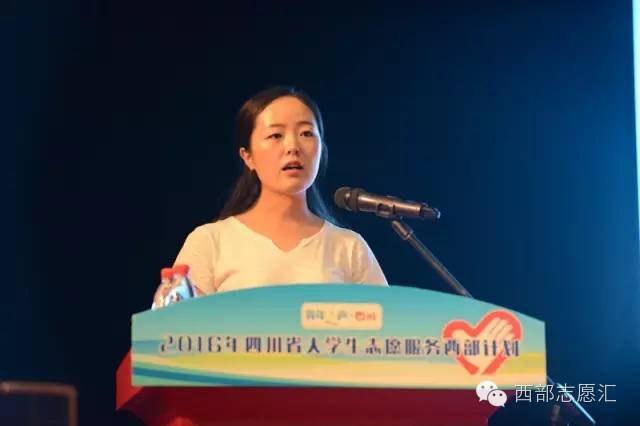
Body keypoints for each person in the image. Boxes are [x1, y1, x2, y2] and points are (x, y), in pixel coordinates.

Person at [172, 86, 387, 295]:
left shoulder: (349, 247)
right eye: (276, 135)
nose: (293, 146)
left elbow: (387, 318)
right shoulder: (210, 242)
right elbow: (175, 317)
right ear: (248, 156)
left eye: (306, 133)